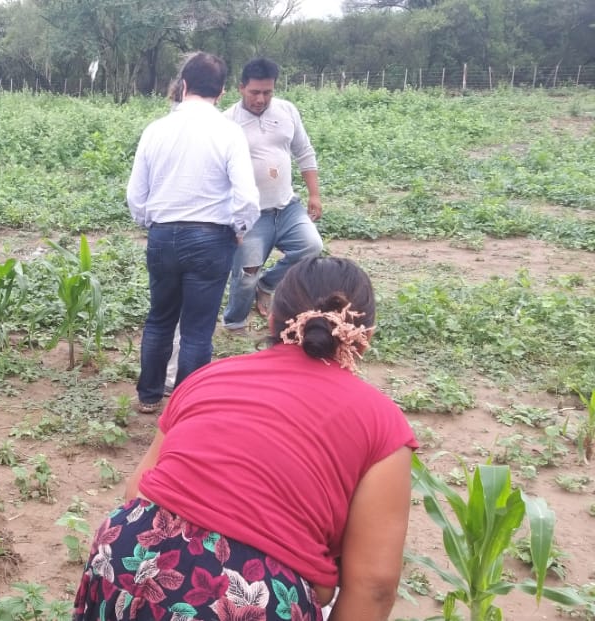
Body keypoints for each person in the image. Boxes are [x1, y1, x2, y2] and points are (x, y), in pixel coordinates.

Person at [72, 256, 417, 621]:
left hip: (127, 555)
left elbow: (138, 489)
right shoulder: (382, 424)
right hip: (251, 595)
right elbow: (374, 586)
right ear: (367, 338)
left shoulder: (209, 377)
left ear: (270, 319)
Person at [127, 52, 260, 413]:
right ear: (220, 93)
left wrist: (152, 225)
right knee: (198, 330)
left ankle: (149, 396)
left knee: (160, 318)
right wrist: (237, 230)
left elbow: (135, 196)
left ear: (182, 85)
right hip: (209, 237)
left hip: (163, 234)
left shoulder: (155, 130)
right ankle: (187, 408)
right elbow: (247, 198)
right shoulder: (229, 132)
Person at [221, 58, 324, 334]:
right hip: (252, 214)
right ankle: (235, 323)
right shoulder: (228, 121)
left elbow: (304, 151)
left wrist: (314, 194)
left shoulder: (287, 110)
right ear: (241, 88)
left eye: (267, 92)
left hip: (287, 206)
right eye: (255, 92)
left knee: (311, 248)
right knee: (245, 275)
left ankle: (267, 285)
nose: (261, 98)